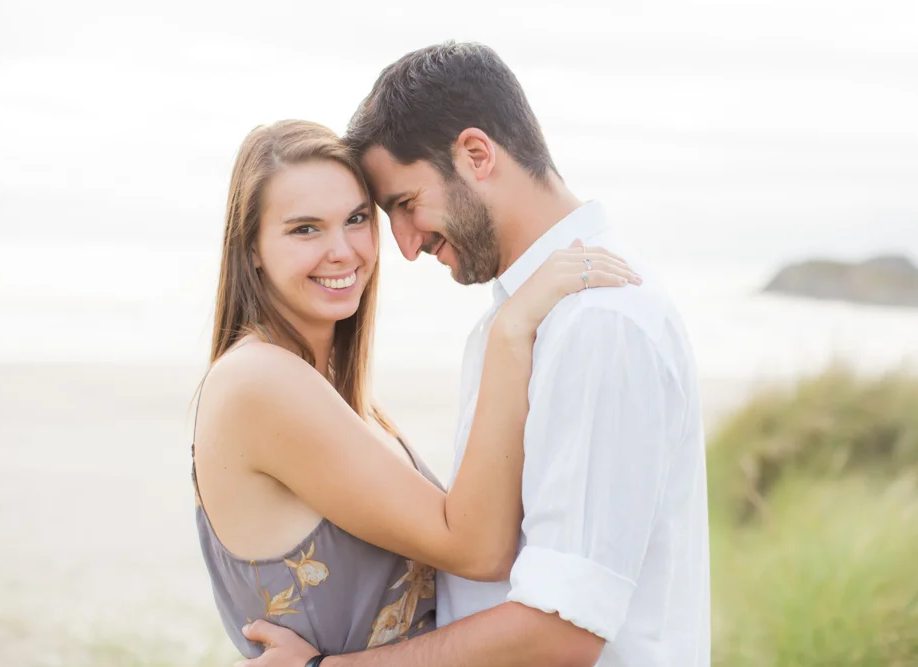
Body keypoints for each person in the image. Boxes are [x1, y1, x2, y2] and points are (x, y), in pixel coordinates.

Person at [239, 42, 711, 667]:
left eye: (406, 205)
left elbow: (561, 632)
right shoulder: (532, 317)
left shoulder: (596, 322)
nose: (405, 247)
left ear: (476, 154)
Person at [191, 120, 638, 660]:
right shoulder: (258, 382)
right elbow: (476, 548)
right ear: (253, 247)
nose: (342, 251)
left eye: (356, 219)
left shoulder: (331, 393)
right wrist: (510, 332)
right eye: (304, 229)